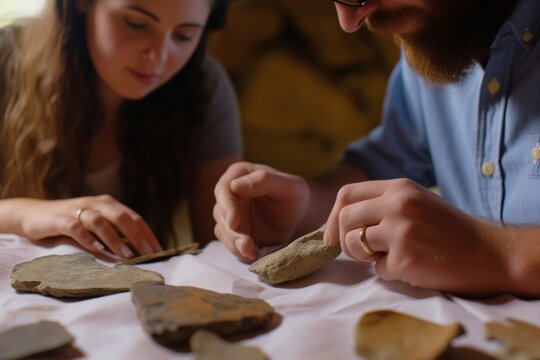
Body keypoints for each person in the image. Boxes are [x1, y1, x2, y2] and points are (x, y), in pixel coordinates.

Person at [213, 0, 540, 297]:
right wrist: (304, 205)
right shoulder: (435, 32)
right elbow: (382, 169)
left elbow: (490, 253)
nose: (350, 21)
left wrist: (497, 256)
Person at [0, 0, 242, 259]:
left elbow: (221, 250)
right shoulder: (6, 60)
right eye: (136, 24)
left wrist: (271, 227)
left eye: (184, 35)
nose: (159, 56)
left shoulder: (203, 88)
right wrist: (27, 215)